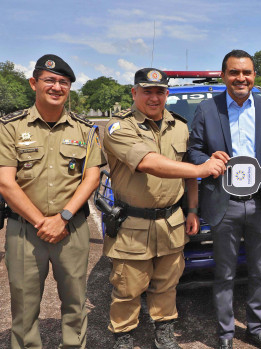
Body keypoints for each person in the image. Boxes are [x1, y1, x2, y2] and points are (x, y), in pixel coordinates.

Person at [102, 68, 225, 349]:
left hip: (172, 221)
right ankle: (123, 336)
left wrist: (192, 210)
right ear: (134, 93)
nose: (154, 97)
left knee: (167, 284)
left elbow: (189, 175)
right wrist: (200, 167)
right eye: (147, 91)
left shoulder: (180, 126)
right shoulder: (119, 128)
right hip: (132, 224)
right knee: (127, 288)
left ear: (167, 94)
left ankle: (164, 332)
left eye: (160, 91)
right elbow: (148, 162)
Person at [0, 54, 106, 348]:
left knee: (75, 302)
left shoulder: (84, 129)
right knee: (23, 307)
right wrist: (41, 221)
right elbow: (5, 183)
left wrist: (64, 217)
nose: (57, 87)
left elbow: (92, 177)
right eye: (50, 80)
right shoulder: (10, 127)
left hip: (71, 227)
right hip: (24, 230)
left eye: (64, 82)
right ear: (34, 83)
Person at [188, 49, 261, 349]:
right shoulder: (208, 109)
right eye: (234, 72)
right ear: (224, 76)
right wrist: (207, 158)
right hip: (224, 201)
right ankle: (226, 334)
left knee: (260, 271)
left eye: (246, 72)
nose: (240, 78)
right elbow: (193, 150)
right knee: (224, 272)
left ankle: (256, 328)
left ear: (254, 76)